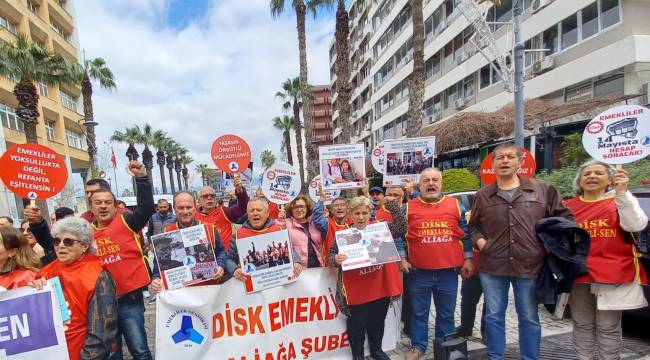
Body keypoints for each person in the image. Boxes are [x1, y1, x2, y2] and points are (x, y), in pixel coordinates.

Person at [469, 143, 573, 360]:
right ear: (493, 163)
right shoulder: (483, 194)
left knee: (529, 317)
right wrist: (480, 242)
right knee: (494, 316)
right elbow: (473, 226)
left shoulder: (542, 189)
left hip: (530, 265)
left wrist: (547, 245)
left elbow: (565, 221)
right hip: (493, 265)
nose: (504, 161)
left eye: (509, 157)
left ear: (520, 161)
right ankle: (495, 356)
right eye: (499, 157)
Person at [565, 160, 648, 359]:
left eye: (598, 173)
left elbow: (636, 225)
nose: (592, 176)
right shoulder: (568, 207)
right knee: (582, 324)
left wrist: (622, 193)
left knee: (608, 327)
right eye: (587, 173)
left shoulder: (621, 200)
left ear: (610, 179)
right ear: (580, 180)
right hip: (579, 275)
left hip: (613, 274)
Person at [402, 168, 473, 360]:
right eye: (426, 180)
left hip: (448, 273)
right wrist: (402, 258)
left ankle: (445, 346)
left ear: (441, 183)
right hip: (419, 272)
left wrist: (468, 259)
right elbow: (398, 236)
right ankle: (418, 346)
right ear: (420, 184)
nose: (431, 184)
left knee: (446, 314)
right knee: (418, 313)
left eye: (435, 180)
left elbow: (466, 235)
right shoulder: (407, 208)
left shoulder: (456, 205)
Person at [89, 160, 154, 360]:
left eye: (108, 202)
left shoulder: (127, 220)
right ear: (91, 207)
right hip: (101, 304)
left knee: (139, 350)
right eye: (98, 203)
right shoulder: (85, 233)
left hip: (129, 300)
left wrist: (141, 178)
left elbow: (145, 208)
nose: (103, 206)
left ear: (116, 206)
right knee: (111, 355)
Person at [330, 196, 406, 360]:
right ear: (351, 213)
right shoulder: (344, 234)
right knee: (357, 325)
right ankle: (358, 355)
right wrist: (335, 259)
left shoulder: (380, 228)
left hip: (380, 286)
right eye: (357, 213)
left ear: (370, 212)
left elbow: (401, 226)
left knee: (378, 322)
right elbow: (331, 255)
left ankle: (377, 350)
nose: (361, 217)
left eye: (365, 212)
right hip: (356, 288)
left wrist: (391, 204)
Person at [35, 217, 118, 360]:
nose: (60, 245)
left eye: (68, 241)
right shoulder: (45, 272)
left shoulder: (97, 274)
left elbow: (103, 326)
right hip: (52, 351)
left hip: (82, 351)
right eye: (57, 241)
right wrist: (34, 289)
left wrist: (89, 356)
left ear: (85, 245)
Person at [149, 191, 227, 294]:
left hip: (209, 291)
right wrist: (155, 278)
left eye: (189, 207)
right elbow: (158, 264)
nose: (185, 212)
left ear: (195, 207)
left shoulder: (209, 228)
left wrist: (221, 266)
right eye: (181, 208)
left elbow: (221, 251)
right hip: (180, 295)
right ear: (174, 209)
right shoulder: (166, 232)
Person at [226, 198, 302, 280]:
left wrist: (297, 262)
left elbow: (291, 250)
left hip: (278, 281)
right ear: (247, 214)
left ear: (267, 213)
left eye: (259, 210)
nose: (255, 213)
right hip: (252, 283)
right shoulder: (237, 235)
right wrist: (235, 269)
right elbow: (229, 259)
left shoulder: (279, 230)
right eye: (252, 211)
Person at [195, 174, 249, 251]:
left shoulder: (224, 211)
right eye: (205, 196)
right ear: (199, 200)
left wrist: (240, 190)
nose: (209, 198)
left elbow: (243, 208)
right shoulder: (193, 217)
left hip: (226, 257)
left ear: (216, 199)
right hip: (205, 259)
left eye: (212, 196)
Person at [277, 195, 327, 268]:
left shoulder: (314, 223)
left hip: (317, 268)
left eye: (302, 206)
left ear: (307, 208)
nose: (299, 209)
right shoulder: (286, 223)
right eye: (296, 207)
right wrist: (280, 220)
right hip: (297, 269)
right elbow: (277, 235)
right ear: (291, 209)